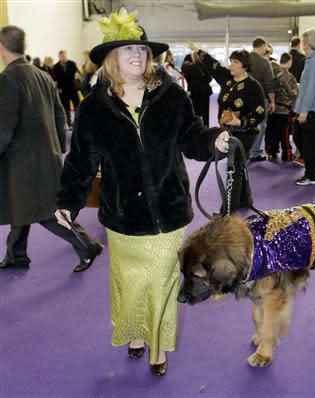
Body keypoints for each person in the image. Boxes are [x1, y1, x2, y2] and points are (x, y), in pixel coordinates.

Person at [54, 9, 229, 376]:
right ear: (111, 58)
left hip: (169, 212)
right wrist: (68, 201)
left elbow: (192, 136)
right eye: (127, 49)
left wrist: (215, 140)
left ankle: (158, 350)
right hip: (123, 219)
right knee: (130, 284)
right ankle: (135, 334)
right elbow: (81, 161)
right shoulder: (93, 108)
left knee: (163, 284)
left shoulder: (171, 96)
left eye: (142, 49)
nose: (137, 55)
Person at [0, 25, 103, 272]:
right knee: (21, 205)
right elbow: (60, 116)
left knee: (46, 212)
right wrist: (57, 146)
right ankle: (16, 254)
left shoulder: (7, 79)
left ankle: (86, 245)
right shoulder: (43, 76)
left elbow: (4, 125)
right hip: (47, 156)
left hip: (21, 162)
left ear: (2, 48)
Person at [187, 40, 265, 213]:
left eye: (236, 62)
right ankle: (245, 199)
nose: (231, 65)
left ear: (245, 66)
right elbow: (212, 65)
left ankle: (228, 211)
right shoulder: (227, 80)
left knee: (234, 168)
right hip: (228, 132)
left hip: (246, 133)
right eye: (231, 61)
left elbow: (260, 113)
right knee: (239, 165)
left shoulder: (253, 86)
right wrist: (197, 50)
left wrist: (241, 121)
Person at [292, 28, 315, 186]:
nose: (303, 46)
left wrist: (304, 111)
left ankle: (312, 175)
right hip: (310, 108)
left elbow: (311, 88)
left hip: (313, 109)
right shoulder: (312, 60)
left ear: (308, 43)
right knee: (302, 138)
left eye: (304, 43)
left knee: (307, 141)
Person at [265, 52, 298, 161]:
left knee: (272, 132)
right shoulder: (290, 77)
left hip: (273, 109)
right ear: (290, 62)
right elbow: (294, 94)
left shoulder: (274, 75)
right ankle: (286, 154)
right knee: (285, 134)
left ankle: (272, 152)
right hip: (285, 110)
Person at [248, 36, 276, 161]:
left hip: (244, 99)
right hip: (261, 99)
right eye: (266, 46)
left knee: (245, 123)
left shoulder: (244, 60)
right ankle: (254, 152)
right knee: (260, 124)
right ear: (262, 46)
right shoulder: (265, 63)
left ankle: (244, 150)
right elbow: (270, 85)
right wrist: (273, 101)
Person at [53, 49, 81, 126]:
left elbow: (78, 73)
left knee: (77, 105)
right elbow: (55, 79)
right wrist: (58, 88)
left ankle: (78, 121)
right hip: (63, 90)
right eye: (62, 56)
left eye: (65, 55)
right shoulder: (56, 67)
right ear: (59, 57)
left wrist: (78, 75)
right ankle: (68, 123)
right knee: (66, 108)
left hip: (72, 88)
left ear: (66, 55)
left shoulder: (72, 63)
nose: (63, 57)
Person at [184, 51, 212, 125]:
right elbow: (210, 79)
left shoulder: (190, 68)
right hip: (205, 92)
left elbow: (188, 80)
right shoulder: (204, 66)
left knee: (196, 112)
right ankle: (206, 128)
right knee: (206, 113)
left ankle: (197, 129)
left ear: (193, 57)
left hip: (195, 93)